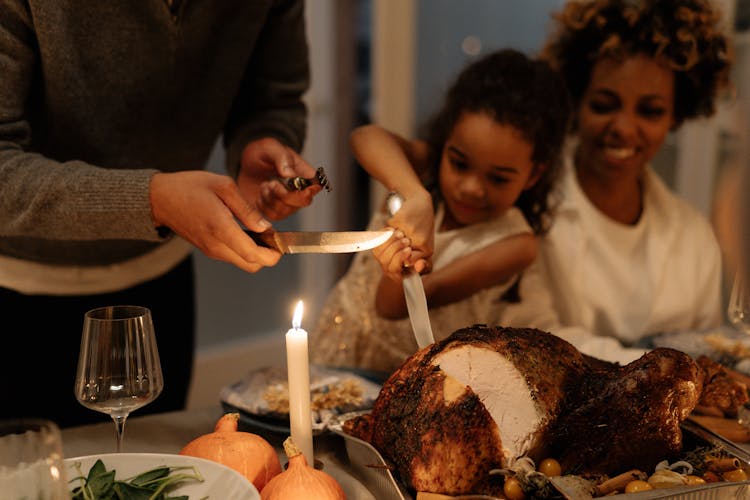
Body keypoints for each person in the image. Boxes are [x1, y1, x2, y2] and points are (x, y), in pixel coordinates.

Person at [0, 0, 322, 427]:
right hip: (18, 295)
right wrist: (151, 200)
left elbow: (273, 96)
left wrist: (260, 141)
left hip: (160, 284)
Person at [310, 49, 571, 375]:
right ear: (446, 142)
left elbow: (390, 306)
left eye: (498, 178)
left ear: (533, 176)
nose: (472, 187)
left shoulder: (515, 245)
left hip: (397, 377)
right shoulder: (425, 171)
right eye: (459, 163)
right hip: (337, 345)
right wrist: (415, 194)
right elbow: (364, 136)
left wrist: (403, 264)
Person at [523, 0, 733, 362]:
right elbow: (532, 341)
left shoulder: (695, 237)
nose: (623, 128)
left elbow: (704, 357)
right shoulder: (528, 210)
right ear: (576, 101)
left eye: (650, 111)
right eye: (604, 104)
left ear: (676, 117)